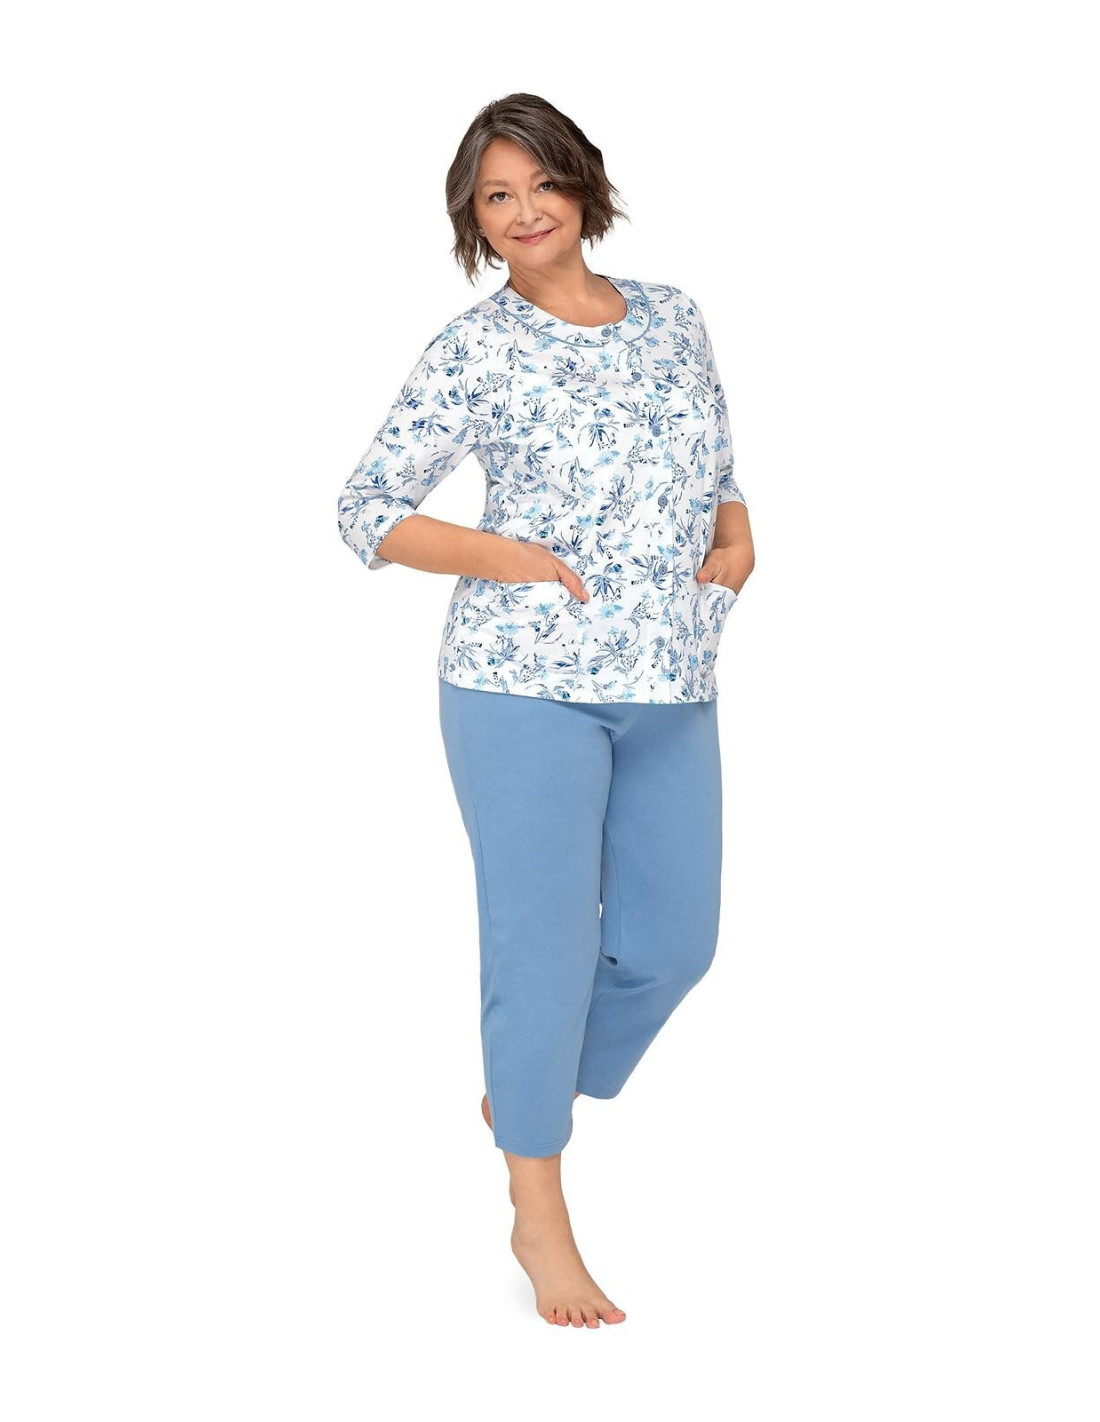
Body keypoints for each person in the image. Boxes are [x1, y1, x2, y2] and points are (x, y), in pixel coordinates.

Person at [337, 93, 756, 1328]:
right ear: (473, 220)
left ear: (583, 185)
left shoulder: (673, 316)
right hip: (519, 686)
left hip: (669, 674)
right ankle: (538, 1210)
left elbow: (717, 468)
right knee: (544, 952)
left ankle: (527, 1088)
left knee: (673, 945)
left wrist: (737, 537)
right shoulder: (475, 348)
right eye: (495, 197)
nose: (522, 212)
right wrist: (506, 557)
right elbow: (366, 508)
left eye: (540, 185)